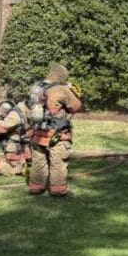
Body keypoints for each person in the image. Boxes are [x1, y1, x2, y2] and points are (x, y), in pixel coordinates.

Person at [27, 63, 82, 198]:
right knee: (58, 162)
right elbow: (75, 106)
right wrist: (72, 92)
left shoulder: (36, 88)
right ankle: (58, 190)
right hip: (57, 134)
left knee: (38, 161)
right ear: (62, 76)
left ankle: (36, 187)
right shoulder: (61, 90)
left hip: (38, 133)